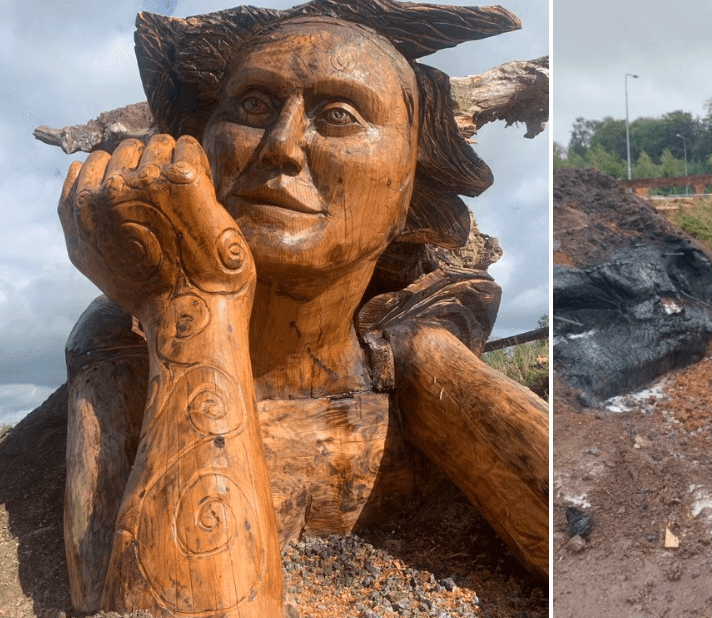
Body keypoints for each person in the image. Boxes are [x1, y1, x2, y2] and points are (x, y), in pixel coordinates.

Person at [56, 1, 547, 614]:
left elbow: (576, 542)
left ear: (406, 189)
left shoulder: (418, 350)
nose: (282, 146)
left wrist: (432, 366)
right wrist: (193, 302)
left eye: (338, 115)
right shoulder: (125, 348)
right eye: (254, 107)